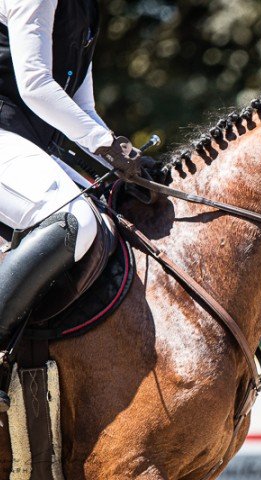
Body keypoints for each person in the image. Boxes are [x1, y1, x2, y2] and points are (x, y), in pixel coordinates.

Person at [0, 0, 140, 412]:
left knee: (118, 212)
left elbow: (82, 107)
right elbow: (36, 85)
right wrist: (107, 146)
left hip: (27, 142)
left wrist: (131, 167)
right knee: (74, 219)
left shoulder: (88, 8)